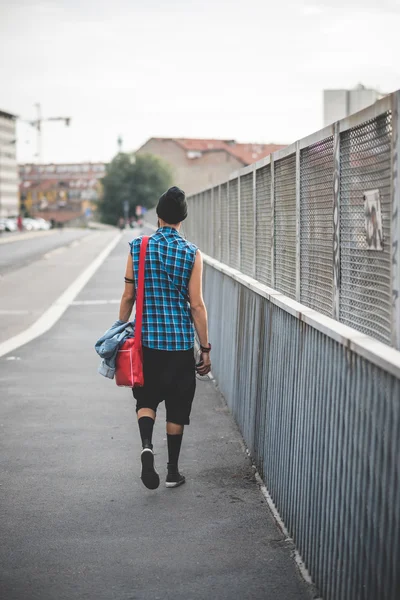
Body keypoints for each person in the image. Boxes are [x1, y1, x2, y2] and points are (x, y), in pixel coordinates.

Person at [118, 186, 211, 490]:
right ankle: (172, 472)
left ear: (158, 215)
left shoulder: (139, 246)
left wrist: (120, 328)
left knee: (146, 399)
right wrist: (205, 348)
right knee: (177, 404)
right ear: (182, 219)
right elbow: (196, 305)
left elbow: (129, 295)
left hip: (147, 344)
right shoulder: (192, 253)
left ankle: (147, 447)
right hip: (180, 344)